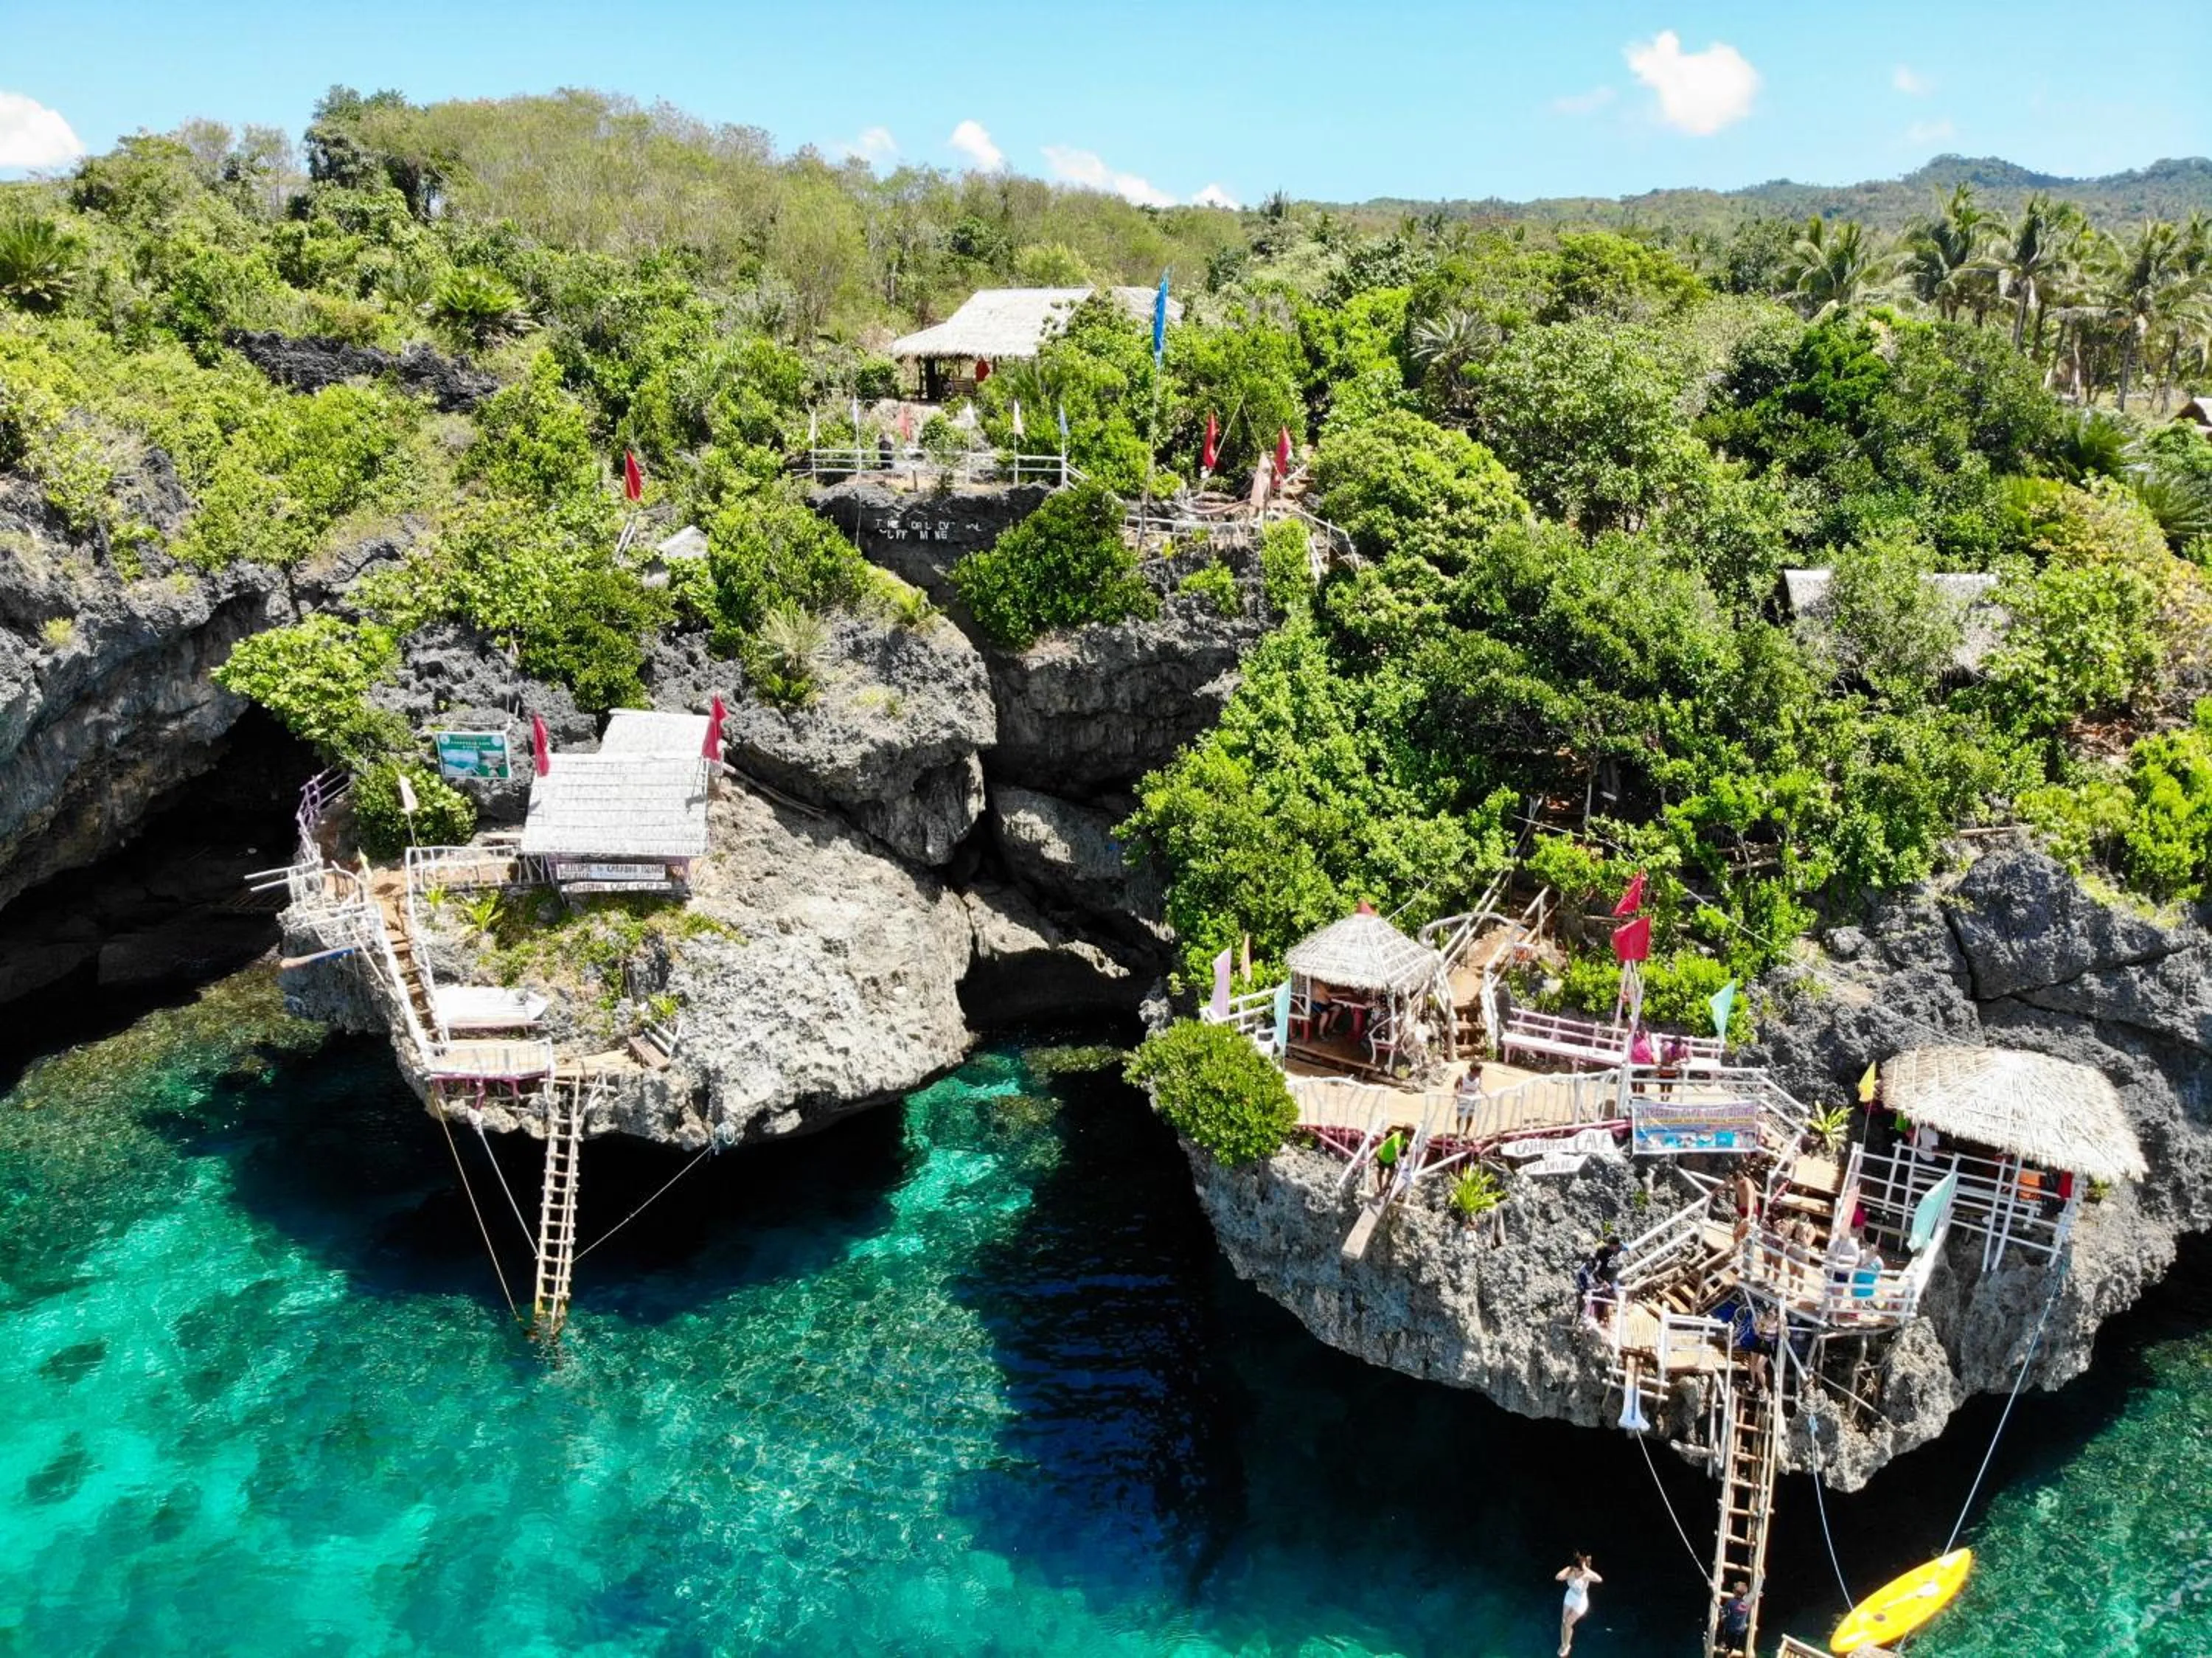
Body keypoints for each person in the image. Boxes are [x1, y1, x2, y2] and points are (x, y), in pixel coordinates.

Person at [1556, 1553, 1602, 1656]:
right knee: (1563, 1622)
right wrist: (1569, 1567)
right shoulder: (1570, 1571)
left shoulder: (1586, 1575)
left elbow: (1599, 1579)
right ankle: (1564, 1643)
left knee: (1568, 1623)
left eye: (1580, 1570)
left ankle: (1567, 1646)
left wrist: (1586, 1569)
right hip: (1570, 1596)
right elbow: (1558, 1577)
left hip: (1580, 1602)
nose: (1577, 1572)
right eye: (1576, 1569)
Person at [1718, 1581, 1752, 1654]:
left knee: (1724, 1620)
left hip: (1730, 1627)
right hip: (1740, 1629)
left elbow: (1724, 1611)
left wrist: (1722, 1612)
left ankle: (1723, 1642)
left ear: (1735, 1592)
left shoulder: (1731, 1602)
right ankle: (1730, 1650)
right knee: (1734, 1640)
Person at [1454, 1064, 1485, 1138]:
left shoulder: (1479, 1078)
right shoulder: (1462, 1076)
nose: (1480, 1074)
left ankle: (1466, 1131)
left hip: (1472, 1099)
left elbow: (1479, 1086)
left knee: (1470, 1116)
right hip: (1463, 1099)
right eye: (1479, 1072)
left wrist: (1483, 1092)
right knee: (1460, 1117)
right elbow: (1456, 1085)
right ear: (1474, 1071)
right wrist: (1456, 1092)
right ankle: (1459, 1132)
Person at [1373, 1125, 1405, 1195]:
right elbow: (1397, 1151)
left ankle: (1387, 1184)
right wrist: (1400, 1164)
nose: (1411, 1137)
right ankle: (1380, 1189)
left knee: (1392, 1171)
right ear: (1407, 1134)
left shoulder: (1404, 1138)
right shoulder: (1397, 1137)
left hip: (1390, 1158)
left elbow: (1401, 1148)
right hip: (1383, 1156)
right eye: (1411, 1135)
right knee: (1381, 1172)